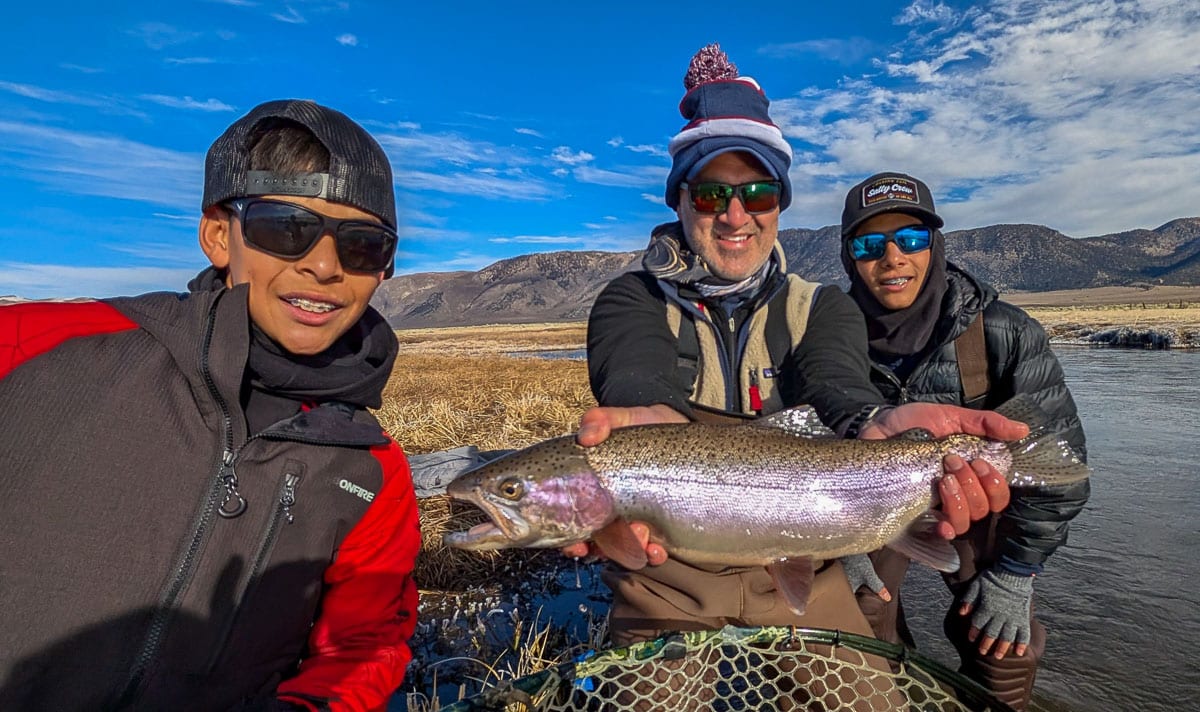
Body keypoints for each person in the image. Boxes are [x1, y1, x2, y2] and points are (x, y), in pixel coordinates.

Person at [568, 44, 1022, 653]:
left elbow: (838, 388)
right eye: (709, 195)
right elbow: (635, 375)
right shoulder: (631, 300)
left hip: (802, 564)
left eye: (757, 194)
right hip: (667, 577)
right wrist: (650, 423)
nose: (735, 216)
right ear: (678, 201)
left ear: (779, 205)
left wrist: (873, 421)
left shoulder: (822, 307)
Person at [0, 100, 419, 711]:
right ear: (221, 235)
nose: (325, 265)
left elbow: (363, 643)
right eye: (287, 227)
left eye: (362, 245)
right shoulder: (37, 347)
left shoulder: (373, 470)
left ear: (383, 270)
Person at [838, 171, 1091, 709]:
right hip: (871, 506)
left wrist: (1016, 574)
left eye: (910, 240)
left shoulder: (1004, 332)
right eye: (869, 244)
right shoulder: (827, 340)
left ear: (935, 246)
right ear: (849, 257)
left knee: (1006, 652)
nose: (892, 259)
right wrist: (833, 543)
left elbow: (1059, 470)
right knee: (854, 619)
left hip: (979, 504)